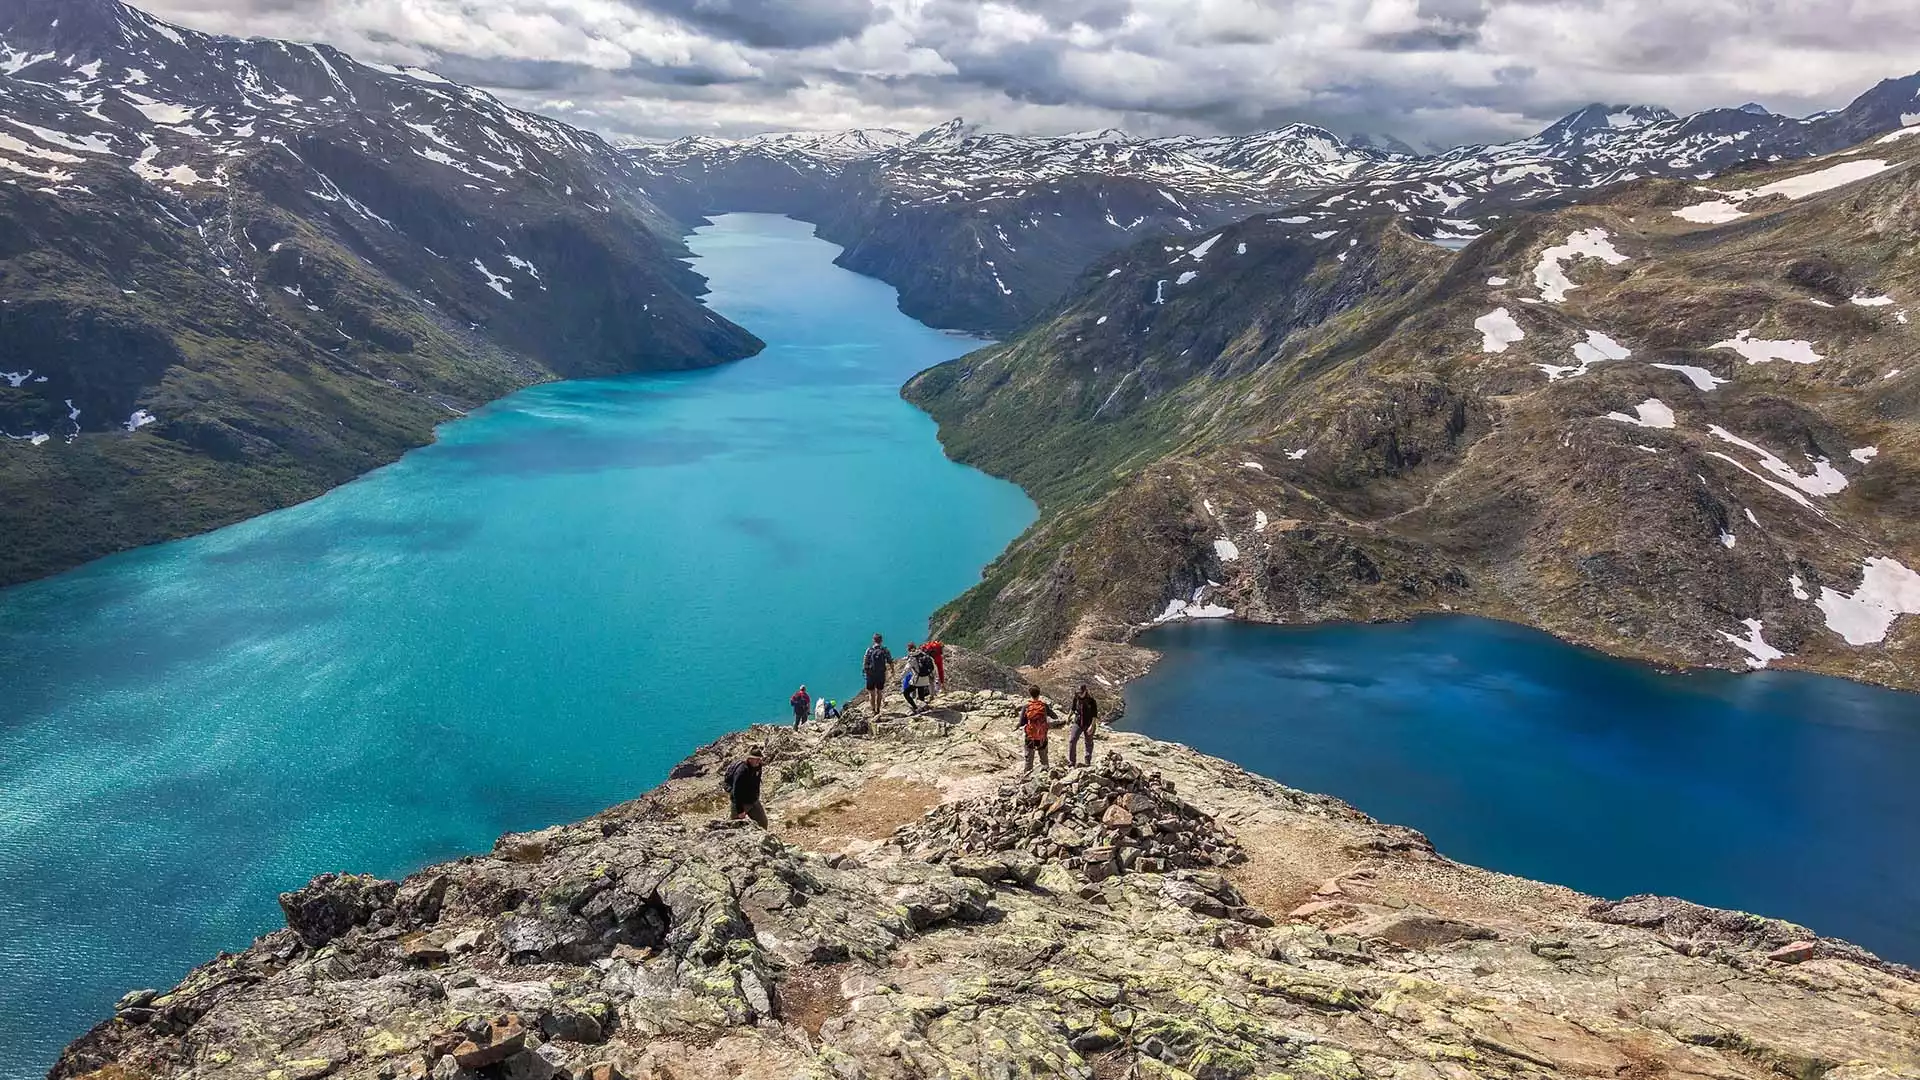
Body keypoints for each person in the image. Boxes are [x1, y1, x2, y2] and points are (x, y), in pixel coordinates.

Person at [723, 746, 768, 828]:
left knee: (763, 823)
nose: (759, 760)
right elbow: (736, 791)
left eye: (760, 758)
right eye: (756, 759)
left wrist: (756, 795)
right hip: (740, 802)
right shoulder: (742, 771)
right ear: (750, 759)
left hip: (753, 801)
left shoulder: (758, 766)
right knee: (735, 827)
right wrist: (740, 810)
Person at [1016, 686, 1057, 774]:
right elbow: (1055, 716)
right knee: (1044, 758)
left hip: (1030, 736)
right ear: (1039, 694)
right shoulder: (1044, 706)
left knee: (1029, 759)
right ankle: (1046, 776)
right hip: (1042, 736)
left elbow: (1022, 723)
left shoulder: (1026, 707)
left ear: (1030, 694)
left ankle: (1027, 777)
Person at [1067, 684, 1100, 766]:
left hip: (1089, 723)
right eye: (1078, 693)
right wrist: (1068, 717)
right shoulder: (1076, 698)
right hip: (1078, 722)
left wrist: (1092, 726)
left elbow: (1094, 715)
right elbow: (1073, 708)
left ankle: (1087, 760)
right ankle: (1072, 761)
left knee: (1088, 742)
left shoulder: (1091, 701)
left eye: (1081, 692)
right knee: (1072, 740)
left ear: (1085, 691)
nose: (1079, 694)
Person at [862, 634, 892, 717]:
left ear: (873, 640)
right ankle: (878, 709)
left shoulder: (870, 650)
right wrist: (893, 670)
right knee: (879, 692)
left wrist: (865, 671)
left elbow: (865, 661)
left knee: (871, 693)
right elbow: (890, 660)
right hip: (881, 674)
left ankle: (873, 710)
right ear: (881, 640)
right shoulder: (884, 650)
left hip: (871, 675)